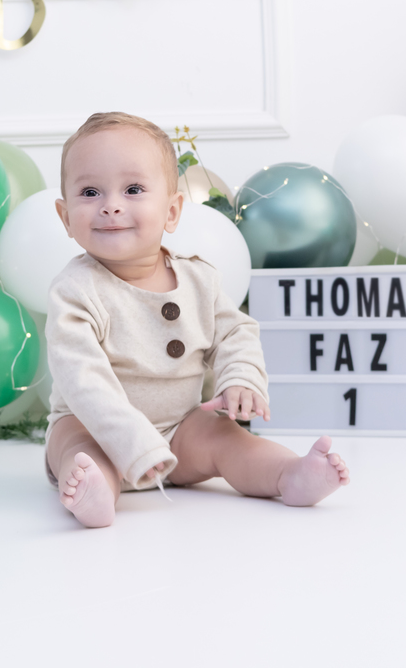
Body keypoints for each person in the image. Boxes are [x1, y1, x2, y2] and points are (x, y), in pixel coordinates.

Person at [45, 111, 350, 528]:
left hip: (179, 430)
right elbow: (83, 380)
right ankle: (97, 493)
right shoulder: (75, 290)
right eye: (90, 192)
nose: (111, 205)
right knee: (75, 448)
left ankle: (288, 474)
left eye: (133, 189)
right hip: (96, 426)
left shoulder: (197, 279)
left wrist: (240, 376)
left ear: (171, 212)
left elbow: (234, 331)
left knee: (225, 437)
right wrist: (133, 444)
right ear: (65, 217)